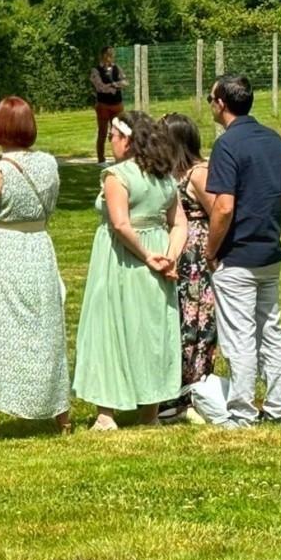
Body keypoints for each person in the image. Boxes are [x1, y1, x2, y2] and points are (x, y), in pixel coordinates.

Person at [73, 111, 187, 431]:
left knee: (109, 327)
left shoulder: (117, 176)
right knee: (149, 331)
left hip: (122, 259)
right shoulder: (164, 176)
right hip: (156, 256)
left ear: (127, 140)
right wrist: (170, 255)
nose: (110, 140)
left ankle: (107, 413)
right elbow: (179, 223)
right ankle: (149, 413)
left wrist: (151, 256)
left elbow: (121, 223)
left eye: (113, 135)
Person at [0, 97, 70, 438]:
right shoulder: (50, 165)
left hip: (3, 250)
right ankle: (60, 414)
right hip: (39, 245)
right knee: (46, 329)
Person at [204, 74, 281, 428]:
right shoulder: (274, 140)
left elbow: (224, 207)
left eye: (211, 98)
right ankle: (278, 408)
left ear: (222, 104)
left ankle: (242, 413)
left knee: (240, 336)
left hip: (237, 257)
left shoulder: (228, 146)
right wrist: (272, 227)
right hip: (270, 254)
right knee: (271, 331)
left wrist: (212, 250)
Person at [153, 113, 218, 423]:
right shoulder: (168, 174)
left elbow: (219, 212)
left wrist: (210, 251)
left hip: (196, 255)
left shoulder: (199, 173)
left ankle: (194, 388)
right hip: (176, 253)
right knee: (176, 318)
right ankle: (172, 391)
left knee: (196, 319)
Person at [91, 46, 128, 167]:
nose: (110, 58)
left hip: (117, 105)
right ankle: (101, 160)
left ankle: (119, 157)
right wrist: (115, 86)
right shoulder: (95, 70)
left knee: (118, 132)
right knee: (102, 132)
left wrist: (113, 84)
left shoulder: (117, 68)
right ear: (103, 56)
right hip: (103, 105)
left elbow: (125, 82)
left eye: (112, 55)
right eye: (108, 55)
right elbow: (99, 87)